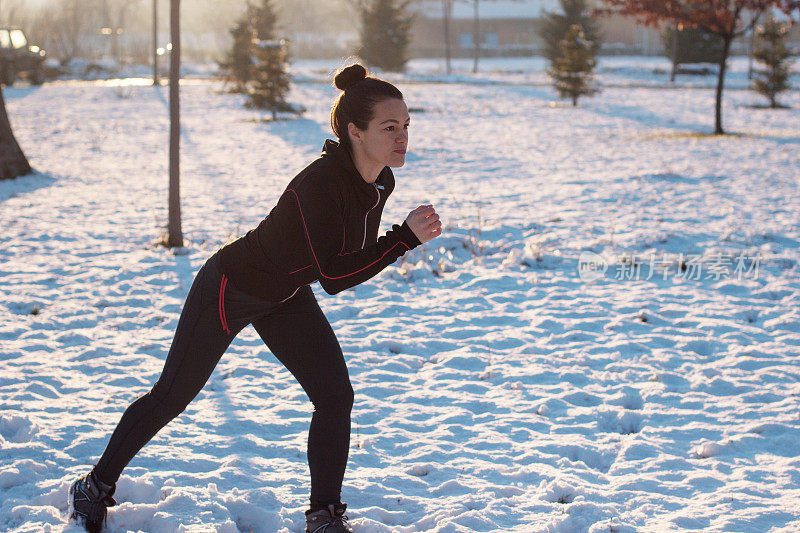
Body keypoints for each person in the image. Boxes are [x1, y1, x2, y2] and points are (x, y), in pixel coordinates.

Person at [67, 63, 442, 533]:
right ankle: (93, 487)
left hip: (285, 293)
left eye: (406, 125)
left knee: (334, 396)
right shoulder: (319, 185)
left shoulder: (380, 180)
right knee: (172, 397)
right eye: (390, 127)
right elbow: (334, 276)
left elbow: (351, 254)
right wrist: (403, 239)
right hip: (232, 287)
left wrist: (395, 240)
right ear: (355, 131)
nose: (402, 136)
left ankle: (323, 516)